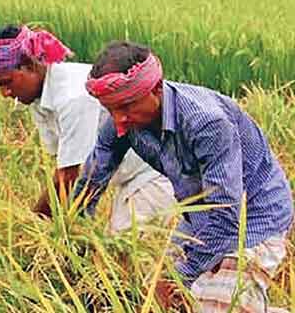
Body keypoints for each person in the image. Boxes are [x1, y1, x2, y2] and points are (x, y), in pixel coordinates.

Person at [72, 40, 292, 312]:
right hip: (198, 216)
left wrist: (179, 274)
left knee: (217, 305)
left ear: (155, 89)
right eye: (110, 110)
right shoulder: (122, 123)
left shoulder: (207, 123)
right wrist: (73, 235)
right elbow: (91, 182)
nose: (118, 122)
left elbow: (226, 215)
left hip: (253, 217)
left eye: (126, 108)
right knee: (171, 302)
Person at [0, 26, 176, 231]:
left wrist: (32, 226)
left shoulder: (72, 97)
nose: (6, 93)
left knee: (125, 253)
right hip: (127, 179)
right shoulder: (38, 100)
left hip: (153, 174)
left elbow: (69, 176)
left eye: (6, 82)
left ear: (30, 65)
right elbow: (63, 164)